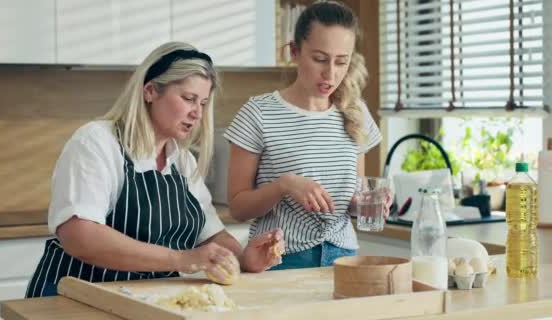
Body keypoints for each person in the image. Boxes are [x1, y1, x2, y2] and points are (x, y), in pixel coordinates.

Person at [26, 42, 283, 298]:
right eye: (188, 98)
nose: (197, 114)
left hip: (144, 302)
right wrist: (180, 259)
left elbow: (210, 236)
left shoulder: (182, 161)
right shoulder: (97, 142)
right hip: (75, 300)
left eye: (203, 103)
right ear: (150, 91)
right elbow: (80, 236)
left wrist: (243, 258)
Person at [224, 1, 389, 270]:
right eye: (320, 59)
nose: (331, 73)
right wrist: (283, 185)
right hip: (279, 259)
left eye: (341, 61)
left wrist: (368, 205)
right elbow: (238, 209)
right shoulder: (258, 113)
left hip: (344, 257)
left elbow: (352, 200)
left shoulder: (355, 111)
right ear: (294, 51)